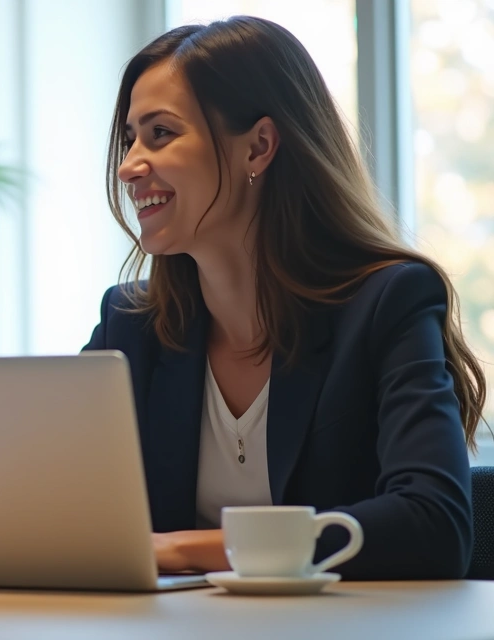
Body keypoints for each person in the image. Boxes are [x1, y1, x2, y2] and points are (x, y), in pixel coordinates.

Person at [83, 16, 487, 580]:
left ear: (259, 147)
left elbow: (434, 526)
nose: (128, 166)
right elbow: (52, 504)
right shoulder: (129, 324)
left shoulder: (388, 303)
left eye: (161, 133)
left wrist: (185, 551)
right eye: (130, 139)